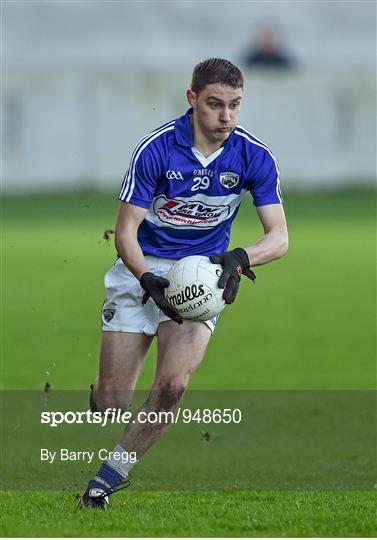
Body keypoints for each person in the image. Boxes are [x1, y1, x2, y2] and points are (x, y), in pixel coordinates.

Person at [78, 58, 288, 509]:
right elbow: (124, 232)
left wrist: (238, 259)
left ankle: (103, 483)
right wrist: (146, 278)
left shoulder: (253, 156)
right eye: (215, 105)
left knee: (172, 387)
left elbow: (280, 237)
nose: (226, 117)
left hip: (200, 279)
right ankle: (99, 390)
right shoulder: (155, 150)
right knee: (113, 404)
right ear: (192, 100)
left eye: (235, 105)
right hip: (142, 270)